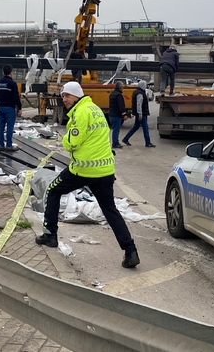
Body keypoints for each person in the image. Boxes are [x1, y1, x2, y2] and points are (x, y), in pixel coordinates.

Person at [35, 81, 140, 269]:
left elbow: (72, 143)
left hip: (83, 170)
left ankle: (50, 235)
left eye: (67, 95)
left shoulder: (80, 113)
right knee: (110, 210)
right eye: (63, 96)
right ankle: (130, 251)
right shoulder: (95, 109)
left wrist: (64, 138)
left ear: (76, 95)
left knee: (53, 190)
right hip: (105, 170)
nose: (64, 99)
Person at [0, 65, 22, 152]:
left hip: (0, 108)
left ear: (3, 72)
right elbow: (16, 97)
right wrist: (19, 107)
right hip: (10, 108)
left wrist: (0, 99)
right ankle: (8, 145)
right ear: (11, 72)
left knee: (0, 127)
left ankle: (1, 145)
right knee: (10, 127)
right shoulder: (12, 84)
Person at [122, 80, 156, 148]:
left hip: (139, 113)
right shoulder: (140, 94)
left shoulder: (137, 92)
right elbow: (139, 105)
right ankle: (148, 142)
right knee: (145, 127)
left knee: (136, 126)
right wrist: (140, 114)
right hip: (142, 114)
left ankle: (125, 139)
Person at [108, 81, 127, 148]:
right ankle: (115, 143)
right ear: (120, 87)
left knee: (114, 129)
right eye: (122, 87)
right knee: (116, 130)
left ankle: (115, 142)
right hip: (116, 115)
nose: (123, 89)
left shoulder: (112, 94)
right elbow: (120, 106)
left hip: (111, 114)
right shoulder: (118, 95)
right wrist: (124, 114)